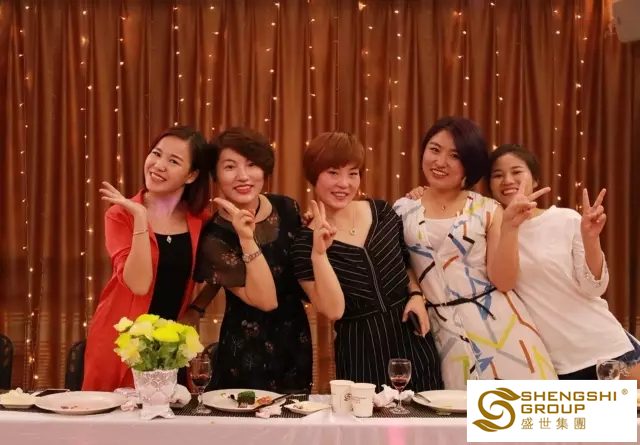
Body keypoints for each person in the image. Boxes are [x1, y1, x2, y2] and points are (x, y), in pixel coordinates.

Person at [394, 116, 557, 389]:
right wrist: (415, 293)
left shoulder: (488, 209)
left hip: (503, 331)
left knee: (525, 414)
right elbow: (400, 263)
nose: (440, 162)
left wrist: (510, 228)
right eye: (435, 150)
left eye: (455, 156)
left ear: (469, 163)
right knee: (460, 414)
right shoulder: (402, 210)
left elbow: (504, 281)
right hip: (442, 335)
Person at [291, 131, 443, 392]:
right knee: (369, 418)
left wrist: (416, 295)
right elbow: (334, 310)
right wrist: (319, 255)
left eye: (353, 173)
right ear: (314, 175)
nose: (344, 183)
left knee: (427, 413)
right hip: (361, 350)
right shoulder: (304, 243)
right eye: (333, 172)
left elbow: (405, 263)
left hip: (413, 336)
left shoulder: (382, 212)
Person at [486, 143, 640, 382]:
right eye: (498, 175)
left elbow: (595, 288)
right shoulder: (494, 230)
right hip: (556, 365)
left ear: (535, 180)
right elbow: (503, 283)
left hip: (607, 350)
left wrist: (591, 239)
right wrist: (509, 226)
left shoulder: (565, 219)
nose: (507, 180)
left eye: (516, 172)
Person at [83, 125, 212, 391]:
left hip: (170, 346)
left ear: (191, 175)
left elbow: (223, 271)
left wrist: (197, 308)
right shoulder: (121, 215)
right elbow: (138, 283)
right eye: (156, 153)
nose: (158, 165)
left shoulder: (201, 220)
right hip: (121, 342)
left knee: (170, 413)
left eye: (173, 161)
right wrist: (141, 217)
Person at [192, 127, 313, 394]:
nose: (243, 176)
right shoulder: (214, 236)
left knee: (295, 416)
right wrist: (247, 239)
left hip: (295, 338)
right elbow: (266, 301)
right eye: (230, 166)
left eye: (251, 164)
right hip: (246, 347)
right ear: (215, 174)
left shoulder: (287, 207)